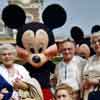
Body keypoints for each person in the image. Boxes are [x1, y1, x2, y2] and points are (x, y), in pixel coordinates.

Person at [82, 31, 100, 100]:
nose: (97, 44)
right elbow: (85, 76)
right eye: (94, 42)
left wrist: (95, 81)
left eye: (99, 41)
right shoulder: (90, 59)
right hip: (88, 95)